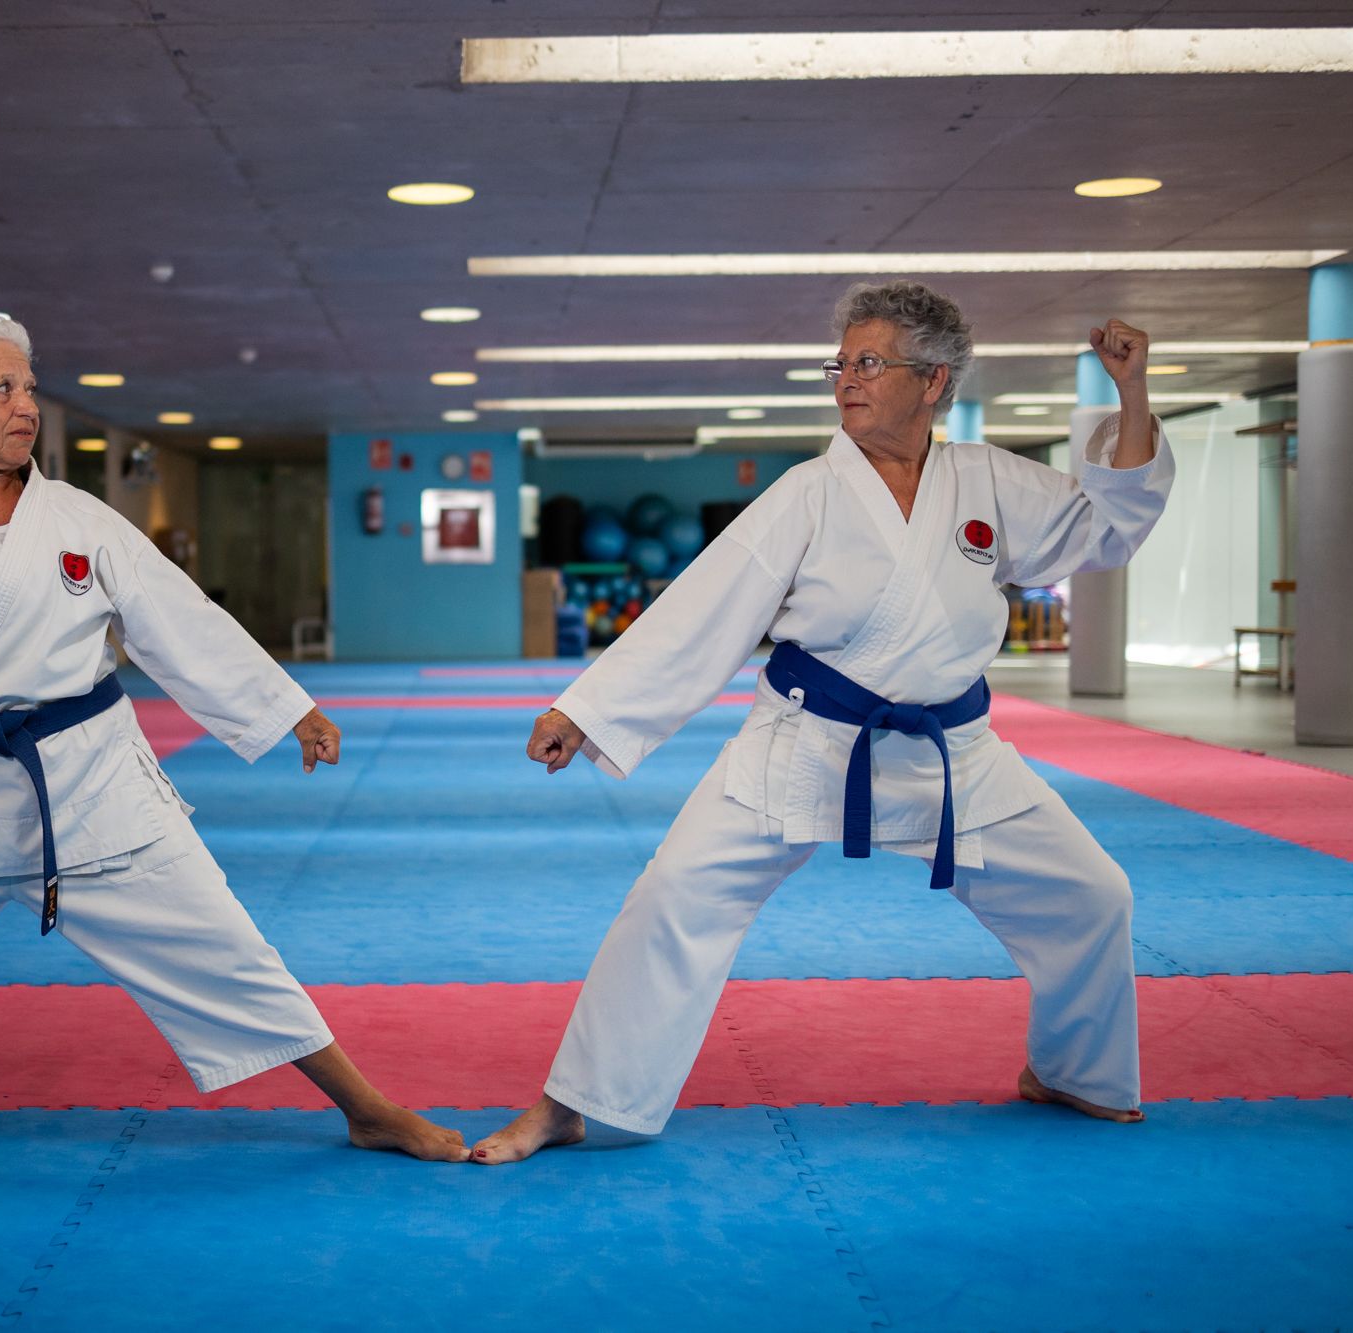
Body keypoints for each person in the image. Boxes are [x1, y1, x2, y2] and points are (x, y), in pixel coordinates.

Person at [0, 294, 468, 1167]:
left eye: (29, 387)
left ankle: (366, 1107)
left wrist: (288, 706)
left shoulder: (80, 522)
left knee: (228, 952)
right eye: (3, 388)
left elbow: (177, 617)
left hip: (92, 787)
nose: (27, 404)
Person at [473, 281, 1174, 1164]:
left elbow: (1110, 524)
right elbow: (706, 607)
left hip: (951, 752)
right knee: (672, 899)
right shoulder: (809, 492)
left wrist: (1133, 392)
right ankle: (577, 1102)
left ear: (933, 380)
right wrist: (588, 709)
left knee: (1093, 894)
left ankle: (1074, 1069)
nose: (845, 379)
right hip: (805, 744)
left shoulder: (990, 481)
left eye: (868, 363)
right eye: (839, 363)